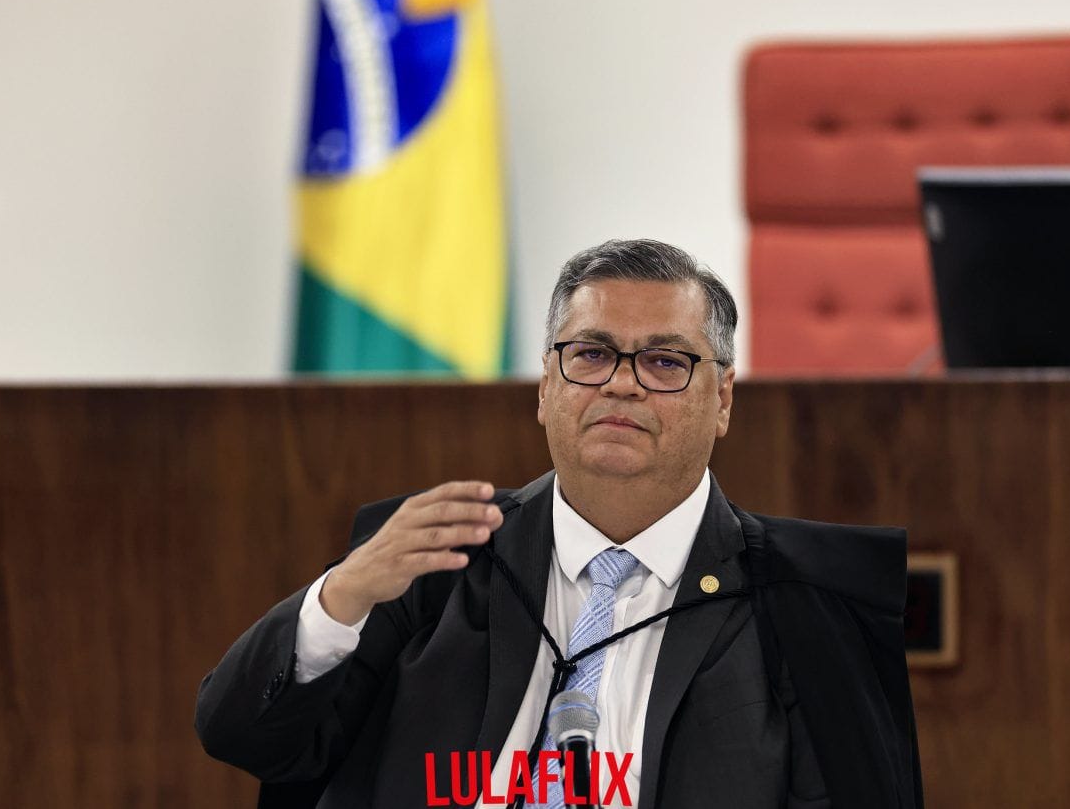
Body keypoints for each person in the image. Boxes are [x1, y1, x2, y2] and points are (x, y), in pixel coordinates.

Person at [196, 239, 923, 809]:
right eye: (592, 354)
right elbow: (243, 740)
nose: (622, 383)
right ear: (547, 385)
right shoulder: (433, 560)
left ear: (723, 398)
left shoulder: (804, 601)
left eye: (664, 361)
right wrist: (340, 599)